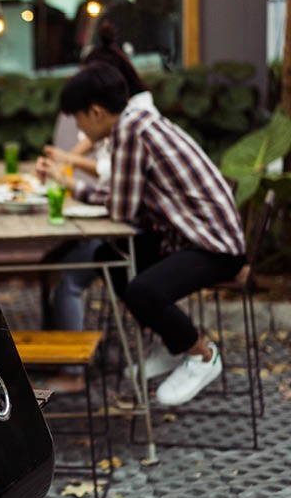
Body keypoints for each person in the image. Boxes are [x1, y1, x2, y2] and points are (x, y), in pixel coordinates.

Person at [54, 62, 245, 406]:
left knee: (144, 290)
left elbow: (121, 210)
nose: (79, 129)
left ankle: (201, 354)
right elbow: (125, 199)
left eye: (78, 120)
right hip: (190, 238)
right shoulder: (136, 123)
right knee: (108, 258)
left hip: (214, 245)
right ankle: (171, 344)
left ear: (95, 112)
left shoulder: (131, 133)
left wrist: (72, 187)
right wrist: (74, 188)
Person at [37, 22, 158, 336]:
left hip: (135, 233)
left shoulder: (136, 123)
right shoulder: (124, 116)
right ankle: (59, 348)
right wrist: (65, 159)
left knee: (67, 273)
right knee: (54, 260)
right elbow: (92, 145)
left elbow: (114, 184)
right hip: (125, 221)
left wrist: (69, 169)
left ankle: (72, 371)